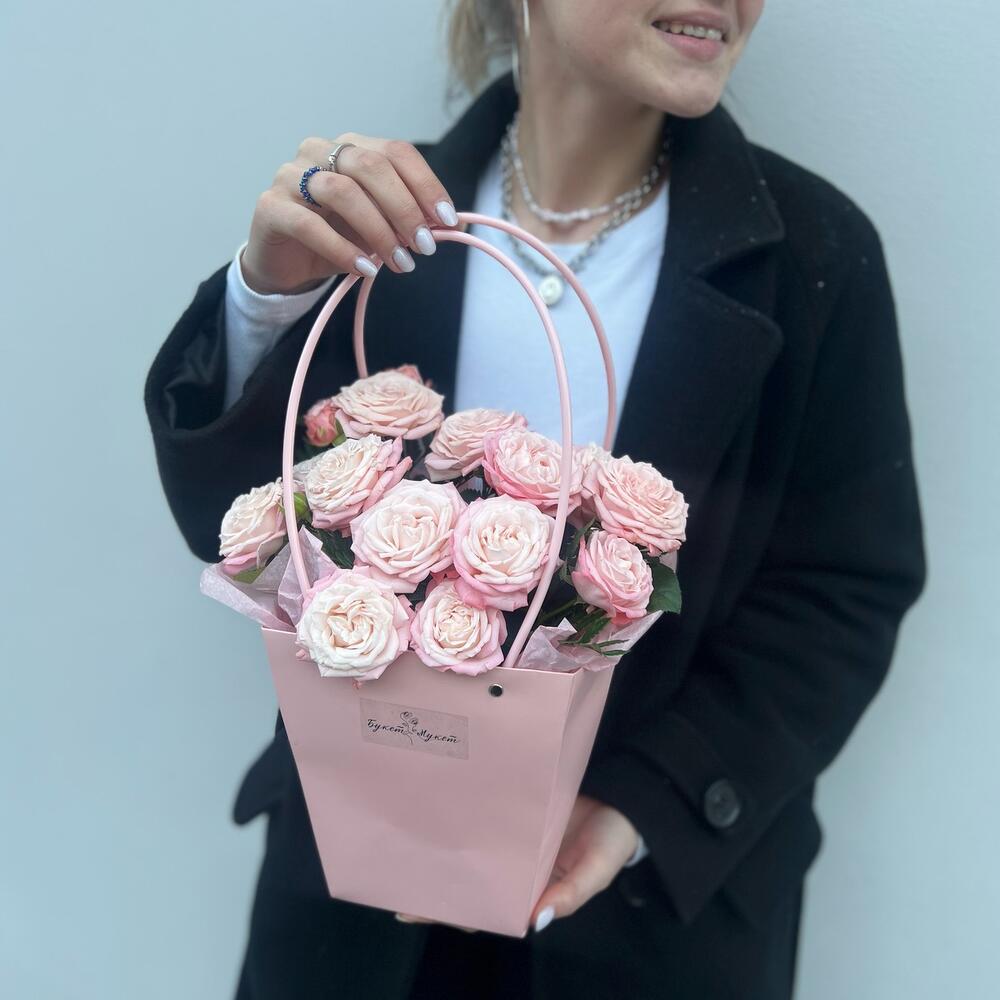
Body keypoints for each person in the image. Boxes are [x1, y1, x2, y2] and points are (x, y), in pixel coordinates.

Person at [143, 1, 928, 997]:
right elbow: (237, 530)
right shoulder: (375, 225)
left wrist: (647, 800)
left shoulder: (812, 256)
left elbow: (841, 590)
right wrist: (268, 299)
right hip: (353, 913)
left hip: (651, 928)